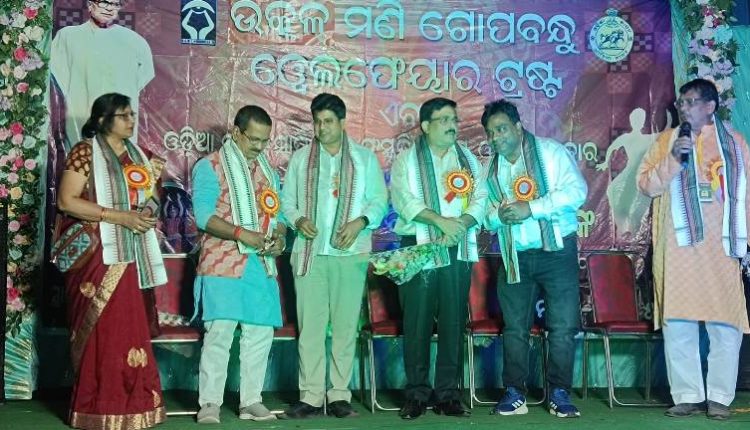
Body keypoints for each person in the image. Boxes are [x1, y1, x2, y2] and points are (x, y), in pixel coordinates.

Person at [637, 78, 750, 420]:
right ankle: (686, 395)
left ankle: (719, 397)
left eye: (689, 102)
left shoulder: (735, 144)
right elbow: (646, 185)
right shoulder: (666, 142)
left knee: (725, 325)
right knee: (679, 323)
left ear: (710, 106)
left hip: (721, 250)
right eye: (681, 103)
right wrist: (673, 158)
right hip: (678, 250)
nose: (682, 108)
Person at [56, 93, 167, 429]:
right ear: (103, 120)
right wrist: (121, 217)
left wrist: (147, 211)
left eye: (132, 114)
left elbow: (152, 198)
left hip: (132, 255)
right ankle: (97, 408)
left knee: (129, 330)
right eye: (123, 115)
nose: (131, 121)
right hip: (97, 257)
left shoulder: (141, 157)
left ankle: (135, 407)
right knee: (103, 332)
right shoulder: (84, 152)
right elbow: (66, 201)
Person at [280, 93, 388, 418]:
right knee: (310, 328)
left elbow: (379, 201)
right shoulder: (301, 159)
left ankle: (339, 395)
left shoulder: (364, 159)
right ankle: (311, 396)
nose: (321, 128)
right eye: (317, 122)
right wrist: (298, 220)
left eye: (328, 121)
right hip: (309, 254)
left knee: (344, 327)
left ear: (342, 122)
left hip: (350, 254)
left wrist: (360, 222)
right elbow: (286, 202)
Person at [481, 100, 586, 418]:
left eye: (501, 129)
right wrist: (498, 216)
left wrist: (532, 208)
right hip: (515, 255)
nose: (496, 137)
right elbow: (485, 216)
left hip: (556, 252)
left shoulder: (550, 153)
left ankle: (559, 393)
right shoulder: (490, 169)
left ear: (518, 126)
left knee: (562, 326)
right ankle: (515, 392)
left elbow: (577, 192)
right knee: (515, 328)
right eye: (490, 133)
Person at [390, 97, 488, 419]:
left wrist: (461, 224)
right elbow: (404, 200)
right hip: (419, 246)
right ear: (425, 126)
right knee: (416, 321)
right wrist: (440, 221)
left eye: (454, 120)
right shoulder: (407, 160)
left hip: (457, 246)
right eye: (444, 120)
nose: (452, 125)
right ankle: (416, 394)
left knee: (453, 321)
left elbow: (481, 198)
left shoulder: (468, 160)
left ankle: (448, 395)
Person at [190, 105, 286, 424]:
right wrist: (242, 233)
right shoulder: (210, 166)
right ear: (235, 132)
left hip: (260, 265)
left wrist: (280, 237)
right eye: (253, 139)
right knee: (219, 333)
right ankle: (209, 403)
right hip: (222, 263)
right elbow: (204, 216)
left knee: (259, 334)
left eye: (265, 141)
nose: (259, 146)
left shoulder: (267, 172)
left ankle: (251, 401)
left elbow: (278, 215)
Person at [50, 0, 154, 148]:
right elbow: (57, 72)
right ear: (90, 4)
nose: (109, 8)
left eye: (115, 4)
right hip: (81, 111)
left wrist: (124, 90)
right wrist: (76, 91)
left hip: (117, 114)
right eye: (104, 2)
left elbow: (146, 73)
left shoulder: (133, 40)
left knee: (118, 156)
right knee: (83, 154)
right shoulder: (68, 36)